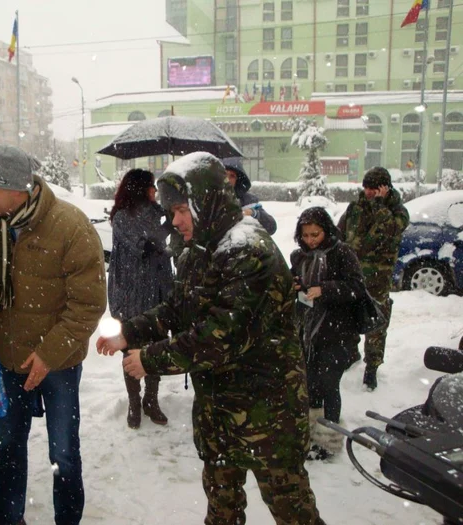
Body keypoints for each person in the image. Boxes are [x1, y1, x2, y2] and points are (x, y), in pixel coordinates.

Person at [97, 152, 324, 525]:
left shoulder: (247, 250)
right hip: (220, 413)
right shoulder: (199, 248)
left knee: (293, 511)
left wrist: (149, 359)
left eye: (182, 209)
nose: (175, 220)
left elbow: (219, 337)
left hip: (266, 412)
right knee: (221, 513)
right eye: (171, 212)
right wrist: (129, 332)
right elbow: (176, 307)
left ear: (207, 200)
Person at [0, 145, 107, 525]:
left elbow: (88, 305)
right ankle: (9, 519)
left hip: (59, 364)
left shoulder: (70, 225)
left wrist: (48, 354)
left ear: (15, 188)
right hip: (9, 357)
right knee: (10, 447)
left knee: (63, 453)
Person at [290, 206, 366, 460]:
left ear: (327, 231)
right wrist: (296, 286)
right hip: (310, 334)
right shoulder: (299, 256)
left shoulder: (342, 253)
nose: (310, 240)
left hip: (337, 332)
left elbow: (356, 287)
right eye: (306, 235)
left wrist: (325, 289)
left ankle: (330, 442)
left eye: (316, 234)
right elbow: (298, 283)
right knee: (310, 385)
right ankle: (312, 434)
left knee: (329, 385)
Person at [108, 169, 174, 429]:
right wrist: (164, 234)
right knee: (131, 348)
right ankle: (134, 402)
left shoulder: (160, 213)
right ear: (140, 188)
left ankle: (151, 400)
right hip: (131, 293)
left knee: (156, 347)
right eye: (152, 186)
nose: (155, 192)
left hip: (158, 291)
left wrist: (171, 219)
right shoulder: (123, 218)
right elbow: (143, 246)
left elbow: (164, 236)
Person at [338, 167, 410, 390]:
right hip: (352, 275)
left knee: (376, 325)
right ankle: (348, 357)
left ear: (385, 188)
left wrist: (379, 205)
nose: (368, 193)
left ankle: (372, 368)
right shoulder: (354, 208)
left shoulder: (397, 212)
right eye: (366, 188)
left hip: (378, 278)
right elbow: (338, 234)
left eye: (373, 189)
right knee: (344, 319)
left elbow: (390, 231)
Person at [222, 157, 277, 235]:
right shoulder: (208, 200)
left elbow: (271, 227)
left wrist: (253, 213)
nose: (228, 179)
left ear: (237, 180)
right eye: (224, 174)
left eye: (232, 176)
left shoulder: (248, 201)